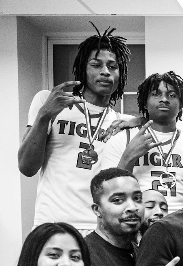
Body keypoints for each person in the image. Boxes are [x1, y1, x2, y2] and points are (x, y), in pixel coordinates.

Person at [18, 26, 130, 233]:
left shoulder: (121, 123)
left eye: (113, 67)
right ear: (83, 70)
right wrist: (44, 116)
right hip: (52, 224)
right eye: (96, 65)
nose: (105, 71)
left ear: (120, 75)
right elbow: (26, 167)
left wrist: (140, 119)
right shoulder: (48, 101)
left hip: (99, 229)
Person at [101, 71, 183, 213]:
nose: (164, 99)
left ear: (181, 105)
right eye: (156, 94)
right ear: (145, 102)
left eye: (172, 95)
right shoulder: (123, 138)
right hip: (139, 221)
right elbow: (107, 192)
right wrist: (128, 157)